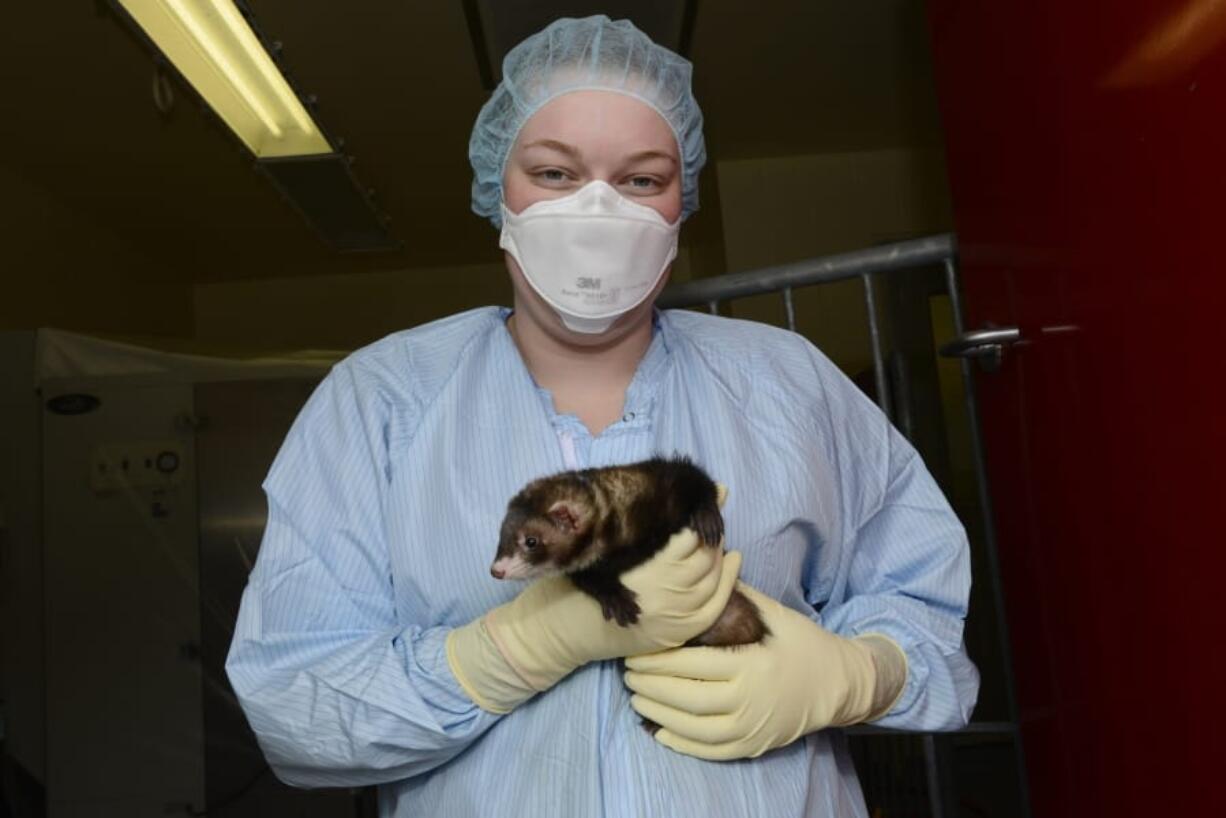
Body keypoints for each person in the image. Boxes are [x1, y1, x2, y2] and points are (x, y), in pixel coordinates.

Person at [226, 15, 978, 817]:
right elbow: (292, 704)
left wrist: (854, 674)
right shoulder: (380, 402)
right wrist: (508, 652)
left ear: (681, 202)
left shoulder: (787, 385)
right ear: (497, 189)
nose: (596, 209)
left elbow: (925, 610)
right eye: (553, 173)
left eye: (642, 179)